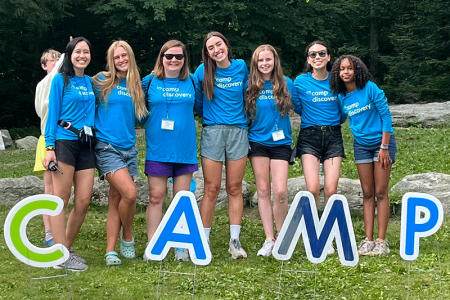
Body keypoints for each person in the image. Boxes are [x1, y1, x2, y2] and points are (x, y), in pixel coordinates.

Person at [330, 55, 397, 256]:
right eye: (342, 69)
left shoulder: (370, 88)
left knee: (381, 192)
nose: (346, 72)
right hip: (361, 146)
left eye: (350, 68)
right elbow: (340, 118)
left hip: (382, 144)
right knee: (367, 192)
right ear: (337, 73)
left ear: (357, 70)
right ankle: (367, 240)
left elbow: (386, 117)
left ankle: (381, 241)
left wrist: (384, 147)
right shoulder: (342, 96)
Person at [142, 40, 201, 261]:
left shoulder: (192, 81)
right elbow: (139, 112)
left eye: (178, 56)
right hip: (158, 149)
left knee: (181, 199)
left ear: (184, 59)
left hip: (184, 149)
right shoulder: (149, 82)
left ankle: (180, 246)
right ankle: (153, 244)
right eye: (169, 56)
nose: (173, 60)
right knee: (156, 197)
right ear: (161, 58)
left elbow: (202, 107)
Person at [92, 40, 147, 266]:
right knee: (131, 193)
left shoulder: (136, 85)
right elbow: (77, 89)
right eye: (116, 57)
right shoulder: (100, 81)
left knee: (116, 199)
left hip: (129, 149)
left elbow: (141, 117)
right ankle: (127, 236)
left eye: (124, 56)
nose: (121, 60)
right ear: (111, 60)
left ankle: (110, 250)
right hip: (106, 147)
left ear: (130, 57)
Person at [194, 31, 249, 259]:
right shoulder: (202, 71)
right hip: (213, 131)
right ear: (207, 53)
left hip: (238, 131)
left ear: (226, 44)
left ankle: (234, 241)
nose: (216, 50)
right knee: (211, 188)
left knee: (234, 188)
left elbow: (248, 94)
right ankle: (203, 240)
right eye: (211, 48)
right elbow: (197, 102)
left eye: (219, 44)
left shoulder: (241, 67)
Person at [43, 37, 95, 271]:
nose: (82, 55)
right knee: (60, 199)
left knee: (83, 200)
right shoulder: (60, 80)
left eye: (86, 52)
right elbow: (51, 114)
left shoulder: (90, 82)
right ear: (69, 55)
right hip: (64, 142)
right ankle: (59, 254)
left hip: (86, 143)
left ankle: (65, 249)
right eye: (77, 51)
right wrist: (49, 148)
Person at [291, 41, 346, 255]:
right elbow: (297, 106)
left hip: (333, 136)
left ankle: (329, 235)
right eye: (312, 54)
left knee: (331, 190)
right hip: (309, 137)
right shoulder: (300, 82)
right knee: (312, 188)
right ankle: (313, 234)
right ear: (308, 59)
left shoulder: (337, 81)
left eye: (321, 53)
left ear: (329, 56)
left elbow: (343, 112)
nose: (317, 57)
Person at [245, 45, 293, 257]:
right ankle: (269, 238)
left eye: (268, 59)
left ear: (275, 61)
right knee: (263, 190)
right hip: (257, 143)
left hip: (281, 143)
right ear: (255, 63)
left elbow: (301, 106)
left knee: (280, 191)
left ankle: (282, 236)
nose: (265, 64)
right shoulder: (249, 87)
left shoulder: (287, 83)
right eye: (260, 60)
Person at [34, 49, 62, 247]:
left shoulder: (60, 83)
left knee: (62, 190)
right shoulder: (43, 85)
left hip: (63, 141)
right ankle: (49, 233)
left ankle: (60, 230)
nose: (55, 63)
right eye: (51, 61)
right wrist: (68, 54)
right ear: (44, 66)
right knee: (50, 189)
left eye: (57, 60)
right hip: (47, 140)